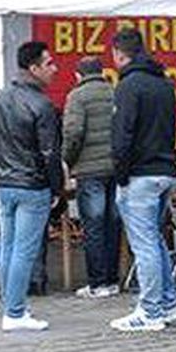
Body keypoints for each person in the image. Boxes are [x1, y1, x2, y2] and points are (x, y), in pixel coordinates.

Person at [109, 28, 176, 333]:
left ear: (118, 54)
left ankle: (151, 310)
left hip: (140, 174)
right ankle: (169, 301)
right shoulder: (164, 85)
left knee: (144, 244)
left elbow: (123, 133)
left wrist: (121, 172)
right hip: (165, 170)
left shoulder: (128, 86)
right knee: (154, 239)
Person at [0, 41, 61, 332]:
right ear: (34, 68)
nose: (54, 69)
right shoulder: (42, 105)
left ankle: (11, 306)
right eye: (49, 63)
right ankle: (15, 312)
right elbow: (49, 153)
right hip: (32, 185)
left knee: (8, 246)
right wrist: (56, 188)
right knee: (23, 250)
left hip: (5, 183)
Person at [61, 56, 121, 299]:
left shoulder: (77, 96)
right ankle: (113, 279)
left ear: (78, 75)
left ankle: (97, 283)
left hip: (89, 170)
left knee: (93, 226)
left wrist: (67, 160)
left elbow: (73, 132)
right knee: (113, 224)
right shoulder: (113, 92)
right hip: (115, 169)